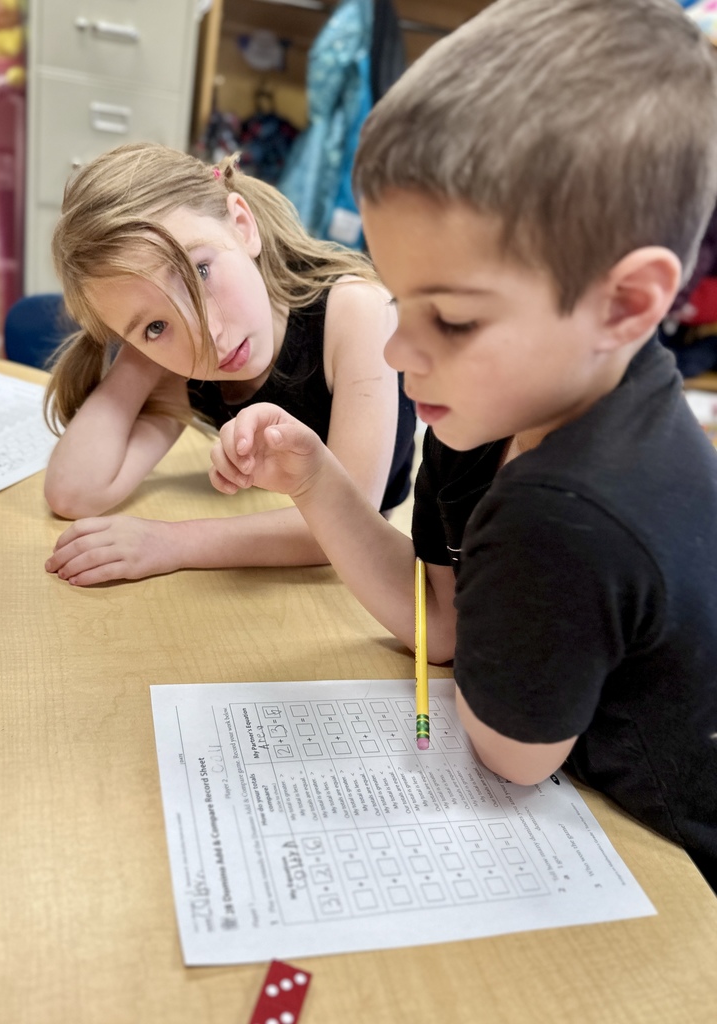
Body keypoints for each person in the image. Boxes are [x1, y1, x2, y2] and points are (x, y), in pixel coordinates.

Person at [208, 0, 717, 892]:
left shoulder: (562, 511)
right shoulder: (508, 402)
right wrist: (315, 480)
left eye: (450, 317)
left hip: (675, 873)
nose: (400, 351)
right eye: (399, 300)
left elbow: (513, 758)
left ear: (627, 304)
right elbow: (439, 624)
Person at [42, 142, 415, 583]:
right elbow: (73, 491)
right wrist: (141, 348)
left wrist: (172, 543)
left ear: (242, 225)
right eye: (157, 327)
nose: (208, 336)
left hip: (374, 568)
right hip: (269, 542)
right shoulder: (179, 363)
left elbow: (350, 522)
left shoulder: (356, 311)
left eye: (200, 272)